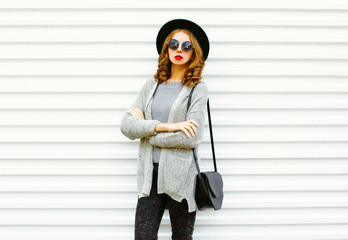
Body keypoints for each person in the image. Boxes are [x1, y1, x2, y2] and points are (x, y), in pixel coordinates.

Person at [120, 19, 210, 240]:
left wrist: (150, 135)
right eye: (174, 44)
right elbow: (126, 125)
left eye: (186, 46)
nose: (179, 50)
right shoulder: (151, 85)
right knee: (143, 236)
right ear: (166, 48)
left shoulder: (197, 89)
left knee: (181, 237)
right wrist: (166, 127)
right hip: (149, 175)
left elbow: (192, 137)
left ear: (194, 52)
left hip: (181, 176)